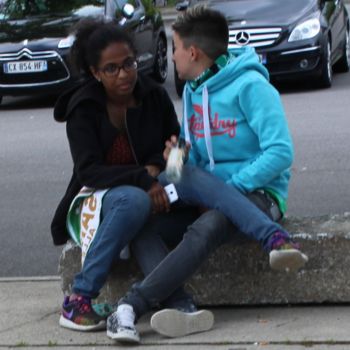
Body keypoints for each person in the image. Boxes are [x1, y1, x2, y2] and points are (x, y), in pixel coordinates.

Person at [105, 5, 308, 344]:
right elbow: (194, 155)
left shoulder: (251, 87)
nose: (172, 58)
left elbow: (280, 152)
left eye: (175, 48)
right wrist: (177, 160)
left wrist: (223, 190)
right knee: (142, 223)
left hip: (258, 196)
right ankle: (182, 306)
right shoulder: (194, 91)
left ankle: (130, 306)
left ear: (193, 52)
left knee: (209, 222)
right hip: (207, 193)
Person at [50, 18, 194, 332]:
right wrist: (143, 179)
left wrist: (164, 163)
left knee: (185, 193)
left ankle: (178, 305)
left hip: (152, 188)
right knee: (133, 202)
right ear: (95, 73)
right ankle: (80, 300)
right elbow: (89, 170)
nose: (124, 74)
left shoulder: (153, 95)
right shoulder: (83, 108)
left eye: (128, 63)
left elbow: (178, 142)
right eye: (112, 69)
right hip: (96, 196)